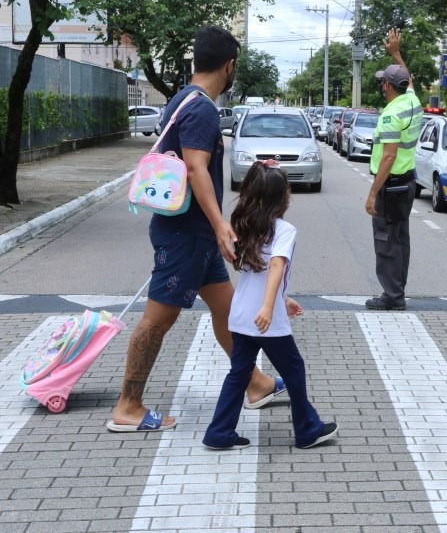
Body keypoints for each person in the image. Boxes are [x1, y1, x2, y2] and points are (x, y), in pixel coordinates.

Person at [107, 26, 286, 433]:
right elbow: (194, 168)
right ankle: (128, 406)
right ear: (230, 65)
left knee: (227, 311)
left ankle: (255, 384)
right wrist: (221, 224)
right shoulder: (202, 108)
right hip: (186, 235)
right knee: (157, 320)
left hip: (194, 234)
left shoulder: (180, 100)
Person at [203, 161, 338, 449]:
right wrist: (268, 307)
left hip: (240, 314)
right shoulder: (284, 230)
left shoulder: (244, 224)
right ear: (280, 199)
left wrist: (282, 298)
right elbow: (276, 265)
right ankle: (307, 430)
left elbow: (256, 271)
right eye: (287, 192)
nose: (289, 197)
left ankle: (219, 432)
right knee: (294, 370)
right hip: (265, 319)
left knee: (238, 373)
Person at [363, 28, 423, 311]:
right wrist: (396, 54)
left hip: (391, 185)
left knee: (386, 241)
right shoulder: (412, 103)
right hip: (408, 182)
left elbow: (388, 157)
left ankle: (392, 296)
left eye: (382, 82)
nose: (381, 85)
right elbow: (408, 79)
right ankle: (397, 291)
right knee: (400, 240)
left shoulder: (390, 115)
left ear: (387, 86)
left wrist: (373, 192)